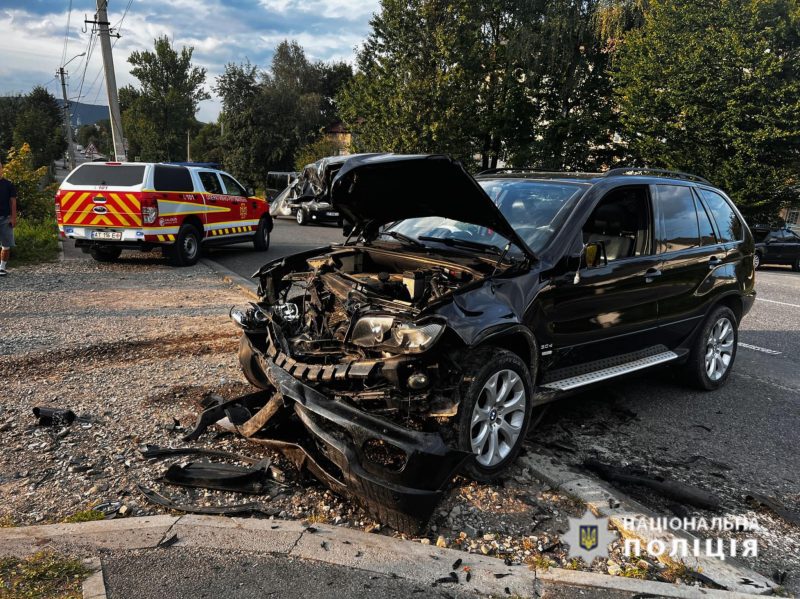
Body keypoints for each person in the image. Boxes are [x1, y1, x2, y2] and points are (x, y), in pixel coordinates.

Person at [0, 162, 18, 276]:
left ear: (2, 169)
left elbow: (13, 202)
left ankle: (2, 267)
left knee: (6, 245)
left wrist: (13, 217)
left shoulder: (9, 184)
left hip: (5, 219)